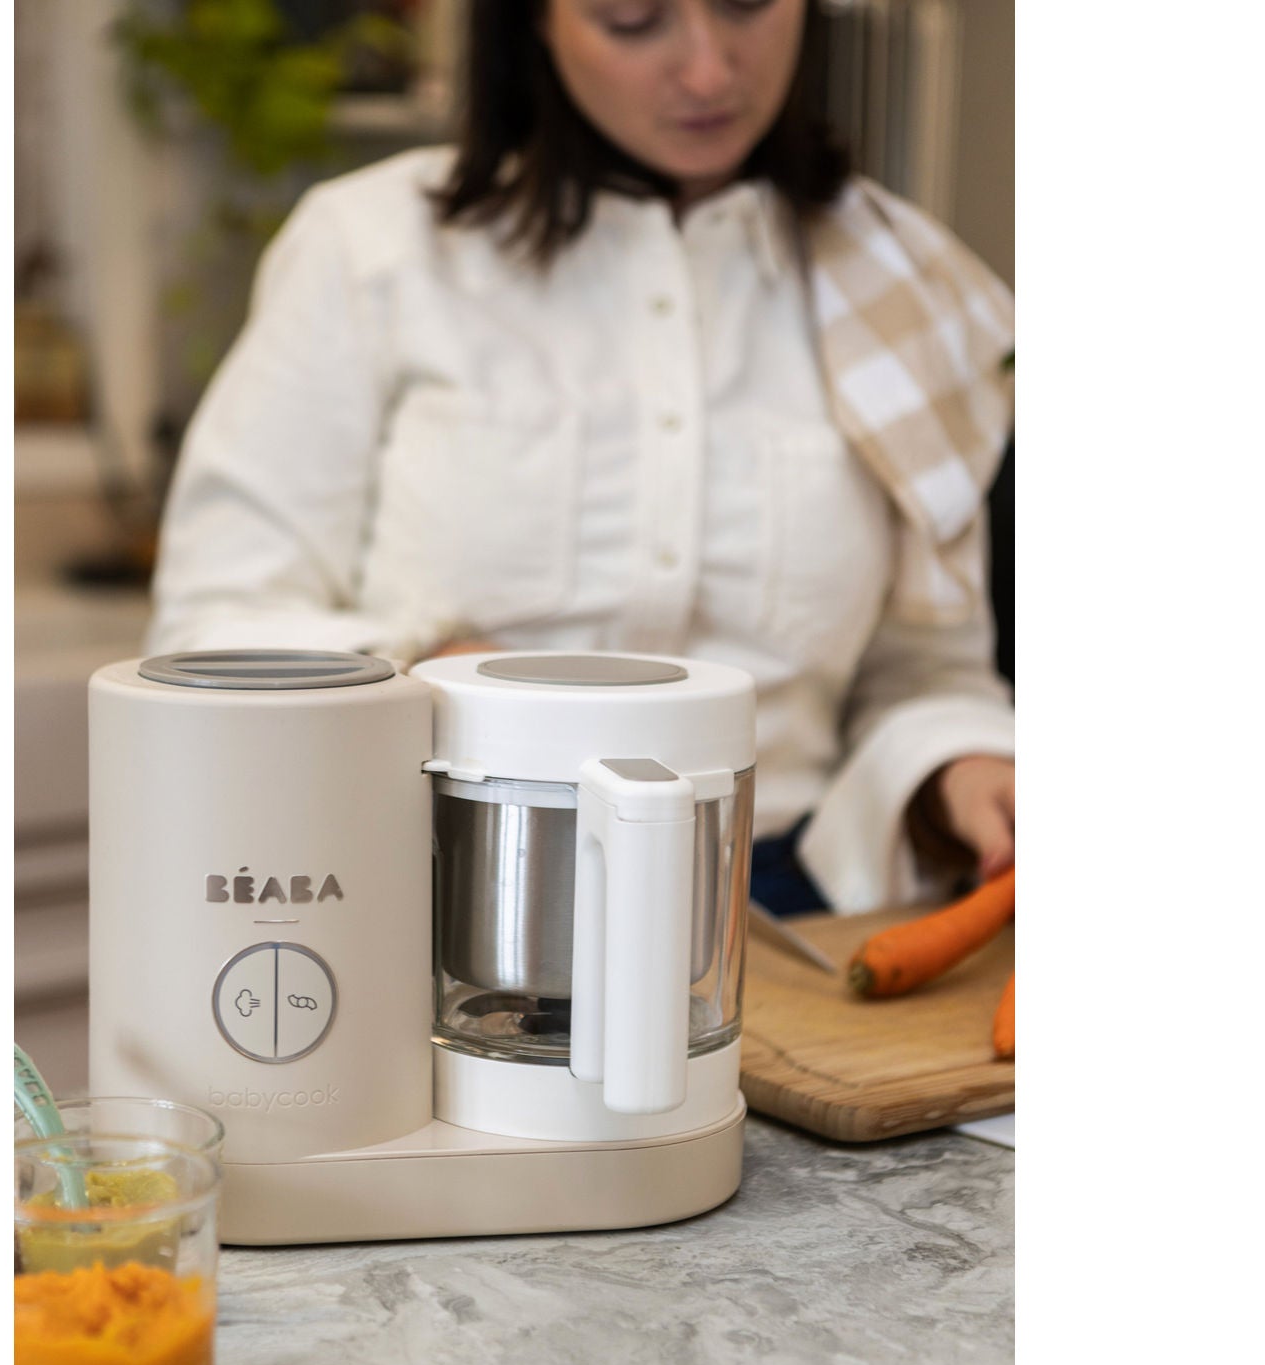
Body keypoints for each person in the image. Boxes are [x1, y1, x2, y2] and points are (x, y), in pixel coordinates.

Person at [146, 0, 1015, 915]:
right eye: (632, 19)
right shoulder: (372, 251)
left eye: (748, 3)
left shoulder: (909, 288)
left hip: (778, 912)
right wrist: (425, 666)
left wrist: (958, 765)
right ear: (533, 22)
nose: (710, 71)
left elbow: (924, 674)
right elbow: (210, 632)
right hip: (444, 896)